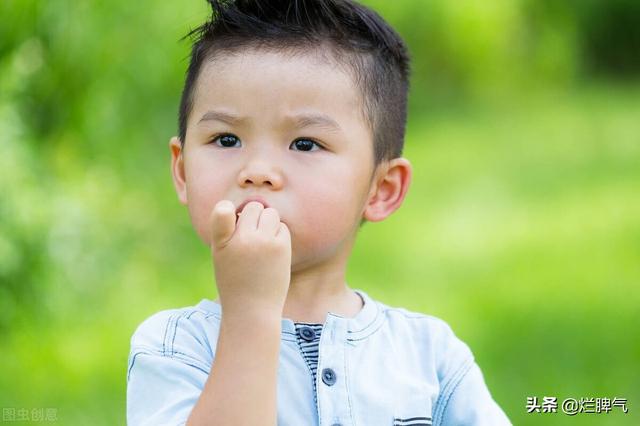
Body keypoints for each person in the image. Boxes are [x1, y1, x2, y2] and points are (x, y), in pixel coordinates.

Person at [126, 0, 511, 424]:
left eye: (305, 144)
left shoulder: (430, 357)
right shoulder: (173, 347)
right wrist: (250, 315)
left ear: (381, 189)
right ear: (182, 171)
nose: (257, 172)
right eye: (226, 139)